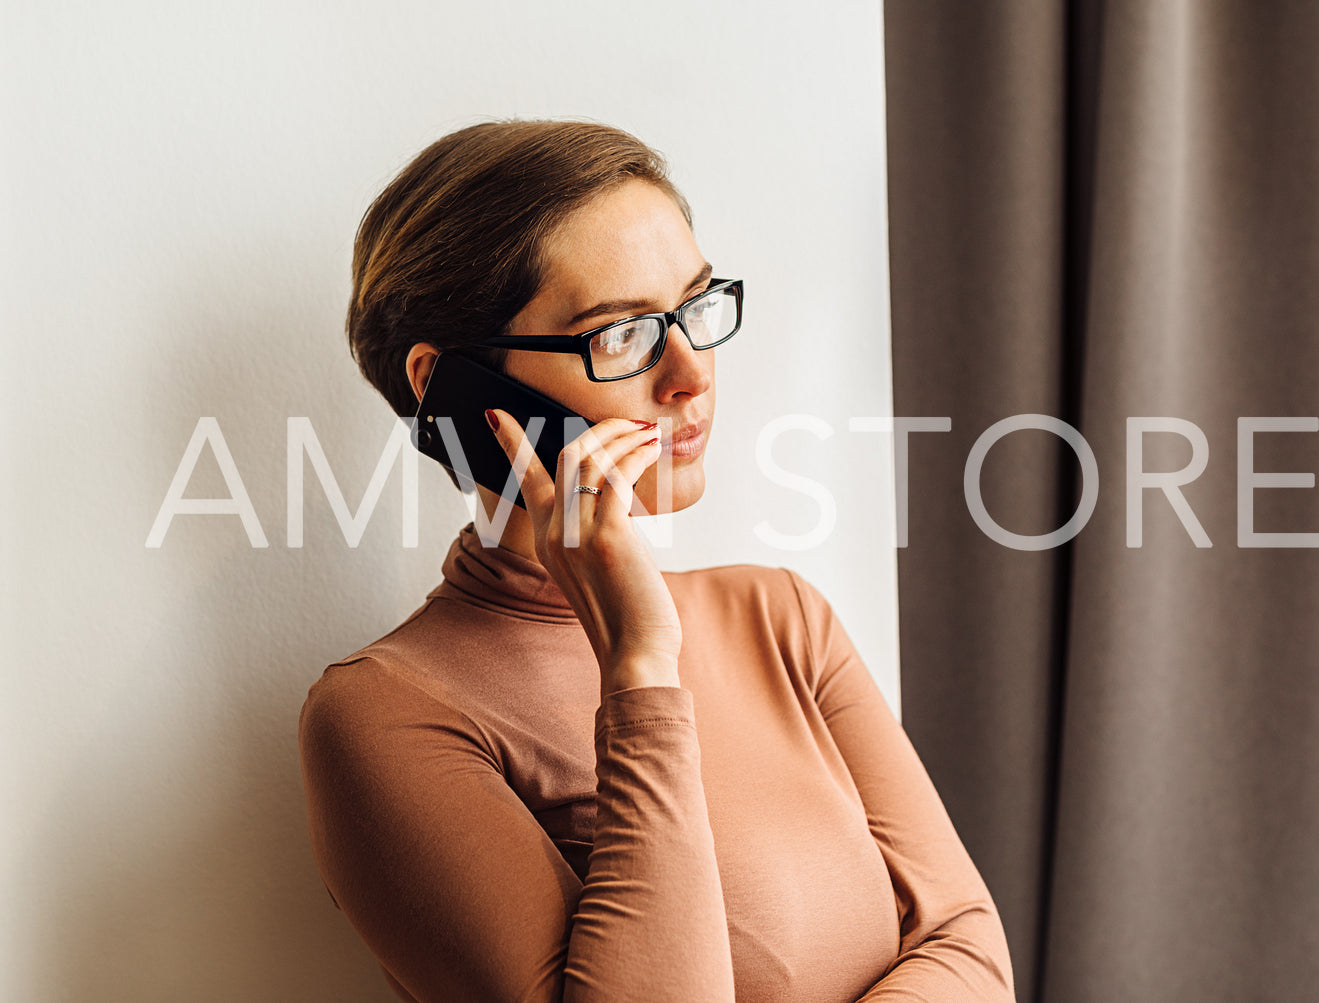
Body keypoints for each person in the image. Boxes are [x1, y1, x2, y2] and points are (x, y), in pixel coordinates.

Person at [298, 118, 1016, 1002]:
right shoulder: (384, 715)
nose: (691, 374)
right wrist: (638, 667)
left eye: (694, 308)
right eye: (621, 334)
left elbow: (968, 946)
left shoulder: (779, 615)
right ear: (448, 386)